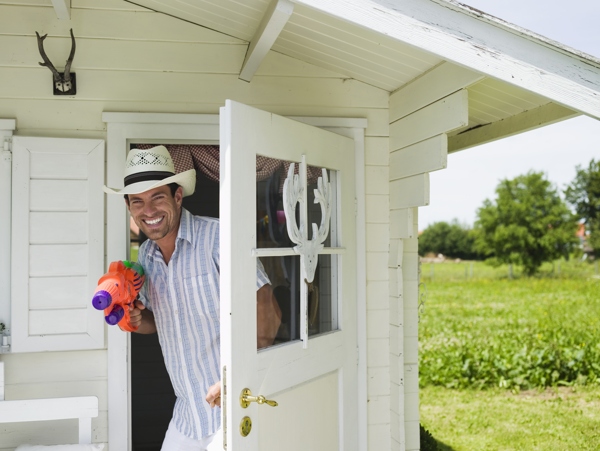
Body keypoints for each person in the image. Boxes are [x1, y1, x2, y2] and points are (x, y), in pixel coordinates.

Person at [104, 145, 282, 451]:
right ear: (129, 207)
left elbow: (267, 309)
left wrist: (237, 377)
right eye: (138, 202)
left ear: (177, 196)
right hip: (187, 414)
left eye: (157, 197)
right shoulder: (146, 254)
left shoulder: (217, 238)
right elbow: (158, 321)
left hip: (232, 408)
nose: (148, 211)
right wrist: (136, 319)